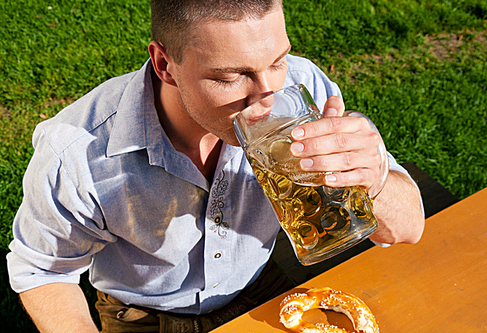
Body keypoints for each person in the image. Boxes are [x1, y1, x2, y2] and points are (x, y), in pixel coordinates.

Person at [7, 0, 425, 332]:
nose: (266, 97)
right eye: (230, 77)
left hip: (258, 288)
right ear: (164, 64)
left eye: (277, 60)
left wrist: (375, 179)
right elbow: (43, 270)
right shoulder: (79, 152)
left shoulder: (302, 90)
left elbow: (408, 229)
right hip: (144, 317)